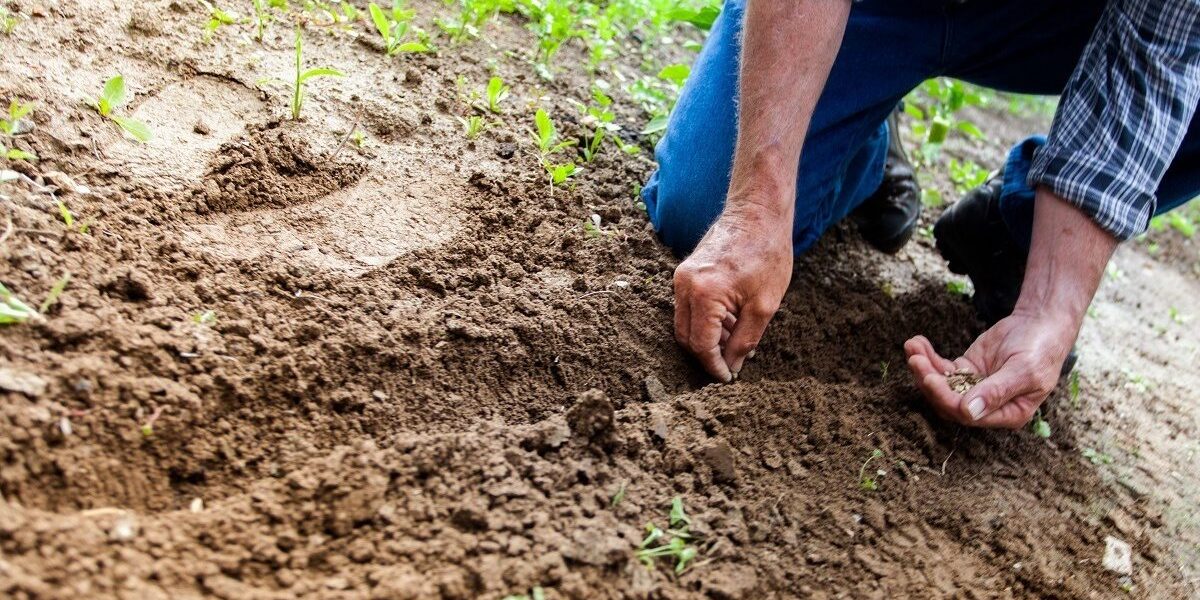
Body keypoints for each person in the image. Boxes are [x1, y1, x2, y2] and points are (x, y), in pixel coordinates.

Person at [641, 0, 1199, 429]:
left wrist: (1050, 308)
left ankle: (1019, 230)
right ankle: (862, 140)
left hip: (1053, 19)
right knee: (703, 207)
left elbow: (1157, 51)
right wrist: (756, 206)